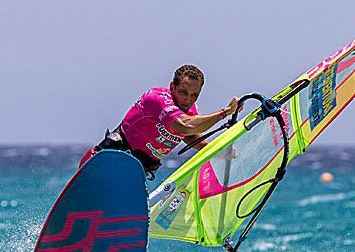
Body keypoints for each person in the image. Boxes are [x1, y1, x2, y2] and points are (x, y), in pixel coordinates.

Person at [80, 64, 240, 178]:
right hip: (106, 161)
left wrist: (217, 150)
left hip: (134, 174)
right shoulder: (157, 99)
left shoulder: (191, 112)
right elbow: (184, 126)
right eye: (183, 92)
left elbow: (190, 136)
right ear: (172, 86)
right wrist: (225, 112)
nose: (187, 99)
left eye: (194, 95)